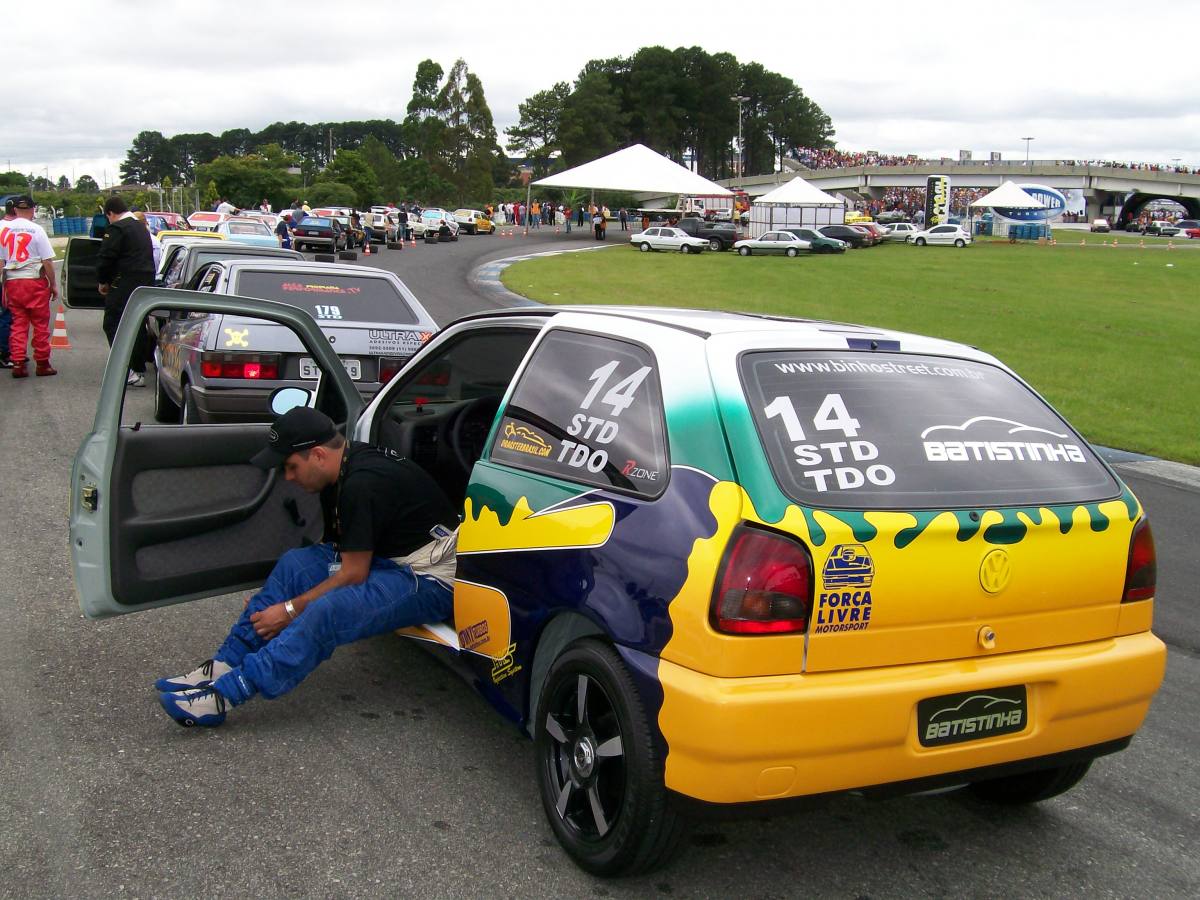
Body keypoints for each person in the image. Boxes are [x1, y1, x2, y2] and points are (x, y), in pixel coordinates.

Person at [155, 408, 459, 727]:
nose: (288, 477)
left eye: (290, 466)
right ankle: (224, 665)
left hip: (429, 577)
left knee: (327, 611)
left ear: (316, 455)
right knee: (296, 565)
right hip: (387, 561)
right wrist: (280, 597)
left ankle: (224, 695)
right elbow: (335, 551)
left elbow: (353, 573)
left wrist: (288, 610)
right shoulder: (337, 473)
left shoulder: (363, 483)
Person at [96, 196, 156, 387]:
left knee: (113, 323)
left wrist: (103, 281)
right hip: (144, 281)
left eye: (108, 217)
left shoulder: (118, 228)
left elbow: (106, 258)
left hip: (124, 281)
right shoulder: (141, 227)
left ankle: (125, 368)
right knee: (137, 325)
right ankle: (138, 369)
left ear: (111, 213)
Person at [0, 195, 59, 378]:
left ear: (15, 210)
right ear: (33, 210)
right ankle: (42, 363)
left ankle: (18, 362)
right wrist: (53, 284)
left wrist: (3, 286)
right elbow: (47, 261)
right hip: (34, 280)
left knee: (18, 323)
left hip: (12, 280)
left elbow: (1, 261)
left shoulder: (4, 230)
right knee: (40, 323)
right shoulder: (37, 230)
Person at [0, 199, 14, 368]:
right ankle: (5, 352)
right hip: (8, 277)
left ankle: (11, 351)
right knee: (7, 315)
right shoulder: (11, 229)